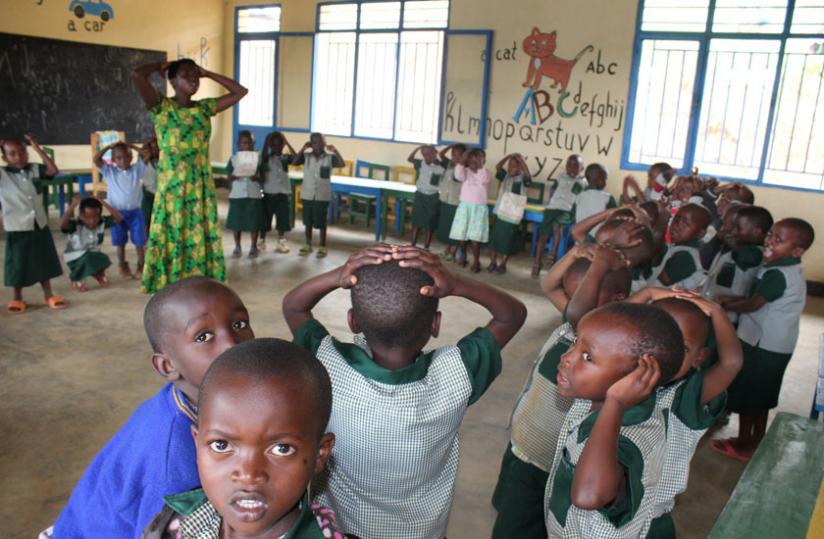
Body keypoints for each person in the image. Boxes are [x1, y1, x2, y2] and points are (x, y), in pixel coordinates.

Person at [283, 244, 526, 539]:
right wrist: (457, 283)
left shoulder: (327, 363)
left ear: (352, 321)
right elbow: (511, 315)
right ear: (435, 325)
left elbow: (294, 306)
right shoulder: (457, 372)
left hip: (339, 529)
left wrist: (337, 276)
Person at [51, 277, 255, 539]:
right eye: (204, 336)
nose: (232, 344)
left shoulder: (191, 397)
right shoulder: (174, 469)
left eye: (239, 324)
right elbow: (155, 532)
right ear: (167, 366)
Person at [142, 339, 344, 539]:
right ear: (197, 443)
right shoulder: (174, 522)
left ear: (320, 454)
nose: (249, 474)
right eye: (221, 445)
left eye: (282, 449)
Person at [492, 246, 630, 539]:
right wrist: (576, 253)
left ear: (618, 301)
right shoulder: (570, 330)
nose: (572, 304)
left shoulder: (607, 355)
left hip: (544, 463)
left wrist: (600, 267)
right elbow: (549, 284)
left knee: (517, 527)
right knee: (507, 509)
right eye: (571, 295)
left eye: (584, 293)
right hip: (521, 444)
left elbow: (581, 311)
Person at [544, 302, 685, 537]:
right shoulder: (591, 402)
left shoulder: (636, 434)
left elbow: (587, 495)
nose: (567, 357)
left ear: (634, 379)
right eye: (576, 342)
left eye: (587, 356)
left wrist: (615, 404)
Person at [627, 289, 743, 535]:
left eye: (682, 348)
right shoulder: (622, 372)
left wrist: (718, 312)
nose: (663, 354)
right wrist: (647, 292)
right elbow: (600, 323)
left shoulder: (686, 396)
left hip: (649, 519)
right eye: (654, 339)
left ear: (699, 358)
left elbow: (731, 363)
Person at [132, 58, 248, 293]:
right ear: (173, 80)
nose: (193, 79)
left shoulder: (204, 108)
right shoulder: (161, 107)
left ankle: (197, 280)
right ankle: (171, 282)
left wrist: (208, 73)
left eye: (195, 75)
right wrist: (158, 66)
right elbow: (136, 74)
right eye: (186, 75)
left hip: (200, 184)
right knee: (174, 229)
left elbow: (240, 91)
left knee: (198, 231)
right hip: (173, 184)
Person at [713, 218, 814, 461]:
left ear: (797, 251)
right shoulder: (786, 269)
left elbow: (753, 304)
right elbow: (758, 297)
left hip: (762, 345)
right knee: (762, 396)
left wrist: (721, 307)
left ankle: (744, 445)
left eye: (778, 240)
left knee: (750, 396)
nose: (769, 241)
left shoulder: (778, 274)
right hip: (777, 344)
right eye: (770, 235)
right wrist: (729, 299)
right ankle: (757, 439)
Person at [0, 135, 65, 314]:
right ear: (5, 157)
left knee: (43, 259)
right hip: (17, 226)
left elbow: (53, 170)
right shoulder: (2, 174)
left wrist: (37, 148)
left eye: (22, 152)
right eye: (12, 154)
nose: (18, 157)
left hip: (39, 223)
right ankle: (17, 297)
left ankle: (48, 295)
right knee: (17, 263)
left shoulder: (36, 168)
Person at [703, 205, 771, 323]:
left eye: (738, 228)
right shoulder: (730, 249)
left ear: (756, 232)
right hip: (712, 306)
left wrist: (729, 240)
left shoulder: (757, 252)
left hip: (730, 317)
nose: (732, 231)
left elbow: (749, 257)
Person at [93, 141, 149, 278]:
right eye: (118, 158)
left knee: (139, 242)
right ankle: (122, 265)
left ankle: (141, 266)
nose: (123, 160)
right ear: (113, 160)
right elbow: (96, 159)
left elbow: (146, 154)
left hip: (135, 212)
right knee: (120, 242)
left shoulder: (137, 169)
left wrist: (132, 146)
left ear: (131, 157)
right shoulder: (109, 171)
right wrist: (108, 147)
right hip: (117, 213)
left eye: (126, 157)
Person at [292, 132, 345, 258]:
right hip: (307, 194)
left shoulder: (329, 158)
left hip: (322, 195)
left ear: (325, 143)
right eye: (315, 142)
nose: (318, 145)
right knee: (308, 221)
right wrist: (303, 148)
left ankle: (322, 245)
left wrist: (335, 151)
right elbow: (294, 162)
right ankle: (308, 244)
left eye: (321, 142)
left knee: (321, 222)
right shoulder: (306, 156)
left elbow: (342, 164)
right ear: (311, 144)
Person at [532, 154, 585, 277]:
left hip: (566, 210)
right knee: (543, 235)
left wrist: (574, 215)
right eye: (569, 165)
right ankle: (537, 262)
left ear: (582, 168)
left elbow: (578, 199)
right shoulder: (561, 177)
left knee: (557, 226)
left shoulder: (582, 182)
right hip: (552, 208)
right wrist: (551, 202)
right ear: (565, 166)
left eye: (576, 166)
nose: (572, 169)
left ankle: (552, 256)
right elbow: (553, 190)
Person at [60, 195, 123, 292]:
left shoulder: (101, 223)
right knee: (87, 258)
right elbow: (63, 225)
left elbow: (119, 218)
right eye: (87, 217)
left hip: (92, 254)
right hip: (74, 257)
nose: (92, 221)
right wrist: (73, 205)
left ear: (100, 216)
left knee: (104, 259)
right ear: (80, 215)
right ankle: (76, 279)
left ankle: (98, 274)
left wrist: (103, 202)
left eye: (95, 217)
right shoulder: (75, 225)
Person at [448, 148, 492, 273]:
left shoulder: (487, 173)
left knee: (475, 238)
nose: (475, 163)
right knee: (462, 235)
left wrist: (480, 164)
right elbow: (458, 174)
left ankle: (476, 261)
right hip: (465, 207)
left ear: (483, 161)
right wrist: (464, 158)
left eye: (478, 160)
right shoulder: (465, 172)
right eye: (472, 160)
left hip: (479, 209)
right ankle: (463, 256)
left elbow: (483, 178)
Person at [648, 203, 711, 289]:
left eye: (685, 224)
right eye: (676, 220)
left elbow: (665, 279)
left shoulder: (687, 255)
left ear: (700, 234)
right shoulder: (675, 247)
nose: (676, 226)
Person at [488, 153, 531, 275]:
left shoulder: (524, 179)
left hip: (512, 216)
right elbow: (498, 166)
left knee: (507, 241)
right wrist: (509, 157)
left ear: (521, 167)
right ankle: (493, 262)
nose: (511, 168)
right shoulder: (505, 176)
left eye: (515, 165)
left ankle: (503, 264)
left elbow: (528, 174)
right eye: (510, 165)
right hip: (499, 212)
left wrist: (521, 160)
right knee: (495, 240)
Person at [225, 130, 264, 259]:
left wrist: (257, 177)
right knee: (236, 222)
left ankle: (253, 246)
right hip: (237, 195)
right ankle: (237, 246)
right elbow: (228, 177)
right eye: (245, 143)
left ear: (254, 143)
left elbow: (263, 176)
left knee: (254, 223)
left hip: (254, 194)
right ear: (239, 144)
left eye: (251, 143)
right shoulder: (234, 158)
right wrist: (234, 176)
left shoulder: (258, 158)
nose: (248, 145)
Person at [259, 131, 296, 253]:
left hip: (283, 194)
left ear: (283, 145)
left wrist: (288, 143)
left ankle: (281, 241)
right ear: (270, 146)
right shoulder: (266, 158)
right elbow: (263, 154)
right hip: (268, 194)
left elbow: (297, 158)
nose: (277, 147)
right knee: (264, 219)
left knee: (283, 220)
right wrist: (266, 141)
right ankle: (261, 241)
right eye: (273, 145)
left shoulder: (285, 158)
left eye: (280, 144)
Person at [408, 144, 445, 249]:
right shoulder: (420, 163)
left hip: (433, 197)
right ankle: (413, 245)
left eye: (430, 154)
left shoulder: (441, 166)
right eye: (425, 154)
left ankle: (426, 247)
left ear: (435, 153)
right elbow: (410, 159)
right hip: (420, 195)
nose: (428, 157)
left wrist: (438, 157)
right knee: (416, 221)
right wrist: (416, 149)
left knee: (430, 223)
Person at [436, 143, 466, 262]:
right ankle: (447, 249)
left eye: (457, 155)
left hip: (456, 202)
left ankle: (453, 252)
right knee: (446, 228)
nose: (454, 157)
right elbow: (441, 154)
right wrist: (450, 146)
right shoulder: (449, 163)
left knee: (455, 229)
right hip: (445, 200)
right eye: (453, 154)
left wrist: (465, 153)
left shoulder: (464, 168)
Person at [574, 163, 617, 227]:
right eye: (605, 179)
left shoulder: (578, 196)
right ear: (599, 179)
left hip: (579, 233)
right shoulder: (608, 197)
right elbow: (615, 217)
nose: (606, 182)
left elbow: (573, 216)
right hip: (598, 235)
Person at [140, 136, 160, 235]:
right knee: (145, 218)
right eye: (151, 148)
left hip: (161, 195)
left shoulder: (165, 161)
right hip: (148, 194)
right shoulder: (144, 161)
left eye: (157, 147)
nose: (154, 150)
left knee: (158, 220)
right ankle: (145, 240)